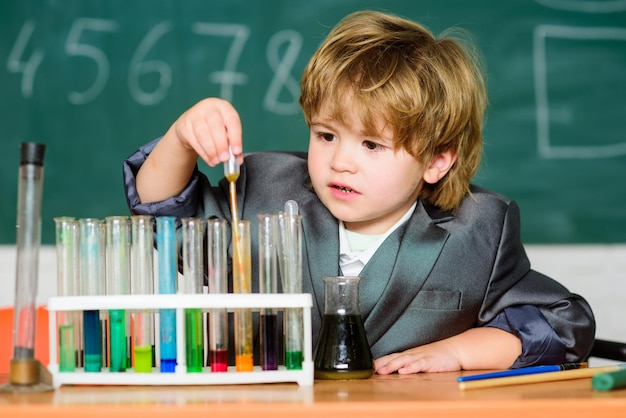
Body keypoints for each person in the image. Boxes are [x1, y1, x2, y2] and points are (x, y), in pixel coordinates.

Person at [123, 10, 595, 374]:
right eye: (326, 135)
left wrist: (456, 350)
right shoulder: (262, 188)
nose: (341, 160)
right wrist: (182, 136)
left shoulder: (480, 228)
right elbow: (163, 213)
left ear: (437, 161)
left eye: (371, 144)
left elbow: (565, 323)